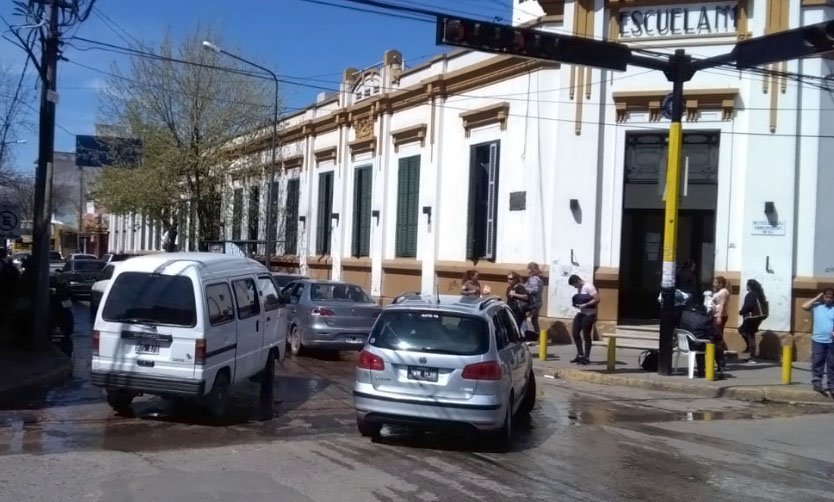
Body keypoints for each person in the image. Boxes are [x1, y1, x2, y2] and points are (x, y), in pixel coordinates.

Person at [801, 289, 834, 394]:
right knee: (818, 362)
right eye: (826, 297)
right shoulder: (816, 306)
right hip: (818, 340)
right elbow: (804, 306)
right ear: (823, 297)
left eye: (831, 297)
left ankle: (832, 384)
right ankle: (817, 383)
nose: (828, 299)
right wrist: (817, 297)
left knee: (832, 364)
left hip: (831, 341)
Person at [568, 274, 599, 365]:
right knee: (575, 333)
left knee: (586, 335)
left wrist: (585, 305)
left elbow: (597, 299)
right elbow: (581, 299)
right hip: (581, 313)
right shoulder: (580, 288)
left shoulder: (589, 286)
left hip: (589, 315)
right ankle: (580, 355)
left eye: (574, 285)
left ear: (578, 281)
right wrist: (577, 305)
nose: (574, 287)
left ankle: (586, 357)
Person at [739, 279, 768, 363]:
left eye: (747, 285)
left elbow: (748, 306)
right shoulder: (759, 294)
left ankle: (752, 356)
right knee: (743, 331)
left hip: (751, 318)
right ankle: (750, 350)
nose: (746, 287)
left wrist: (741, 312)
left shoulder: (751, 295)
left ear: (749, 286)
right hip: (758, 317)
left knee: (749, 335)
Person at [523, 262, 544, 339]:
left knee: (528, 319)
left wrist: (525, 289)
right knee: (534, 321)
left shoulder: (535, 278)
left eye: (528, 268)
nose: (527, 270)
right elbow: (527, 285)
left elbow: (535, 290)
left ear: (532, 269)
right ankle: (539, 338)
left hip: (534, 303)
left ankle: (531, 338)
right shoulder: (536, 277)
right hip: (537, 302)